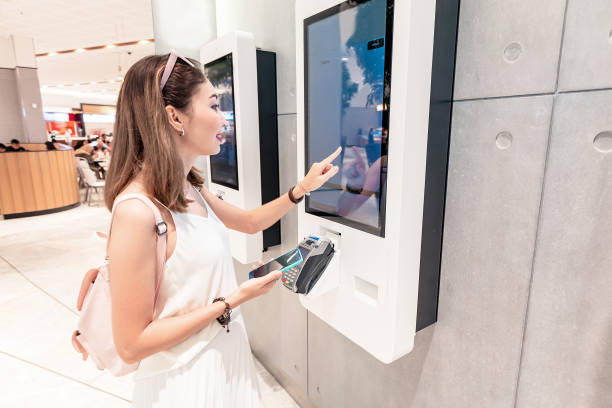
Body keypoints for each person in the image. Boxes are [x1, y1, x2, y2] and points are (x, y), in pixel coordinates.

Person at [70, 52, 340, 407]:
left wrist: (301, 189)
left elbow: (249, 222)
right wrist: (232, 300)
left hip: (226, 356)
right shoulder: (137, 211)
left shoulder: (190, 187)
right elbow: (132, 343)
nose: (222, 118)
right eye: (214, 105)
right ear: (174, 116)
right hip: (184, 381)